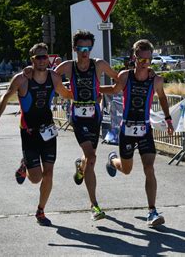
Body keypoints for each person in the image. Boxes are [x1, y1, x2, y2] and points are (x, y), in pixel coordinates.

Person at [23, 30, 119, 221]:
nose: (85, 52)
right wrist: (28, 72)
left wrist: (99, 90)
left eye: (88, 48)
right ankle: (94, 205)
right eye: (81, 48)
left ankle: (80, 167)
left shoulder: (98, 64)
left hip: (95, 115)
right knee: (91, 156)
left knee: (89, 159)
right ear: (75, 49)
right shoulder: (68, 67)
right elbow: (45, 78)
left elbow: (119, 83)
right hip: (77, 115)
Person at [0, 43, 73, 226]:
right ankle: (24, 165)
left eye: (45, 57)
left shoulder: (54, 77)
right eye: (39, 57)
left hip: (48, 130)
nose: (43, 60)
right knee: (36, 179)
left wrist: (88, 94)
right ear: (32, 60)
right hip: (29, 133)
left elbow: (66, 94)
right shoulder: (22, 79)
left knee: (49, 174)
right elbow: (5, 97)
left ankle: (41, 210)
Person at [99, 39, 174, 227]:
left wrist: (168, 118)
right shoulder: (125, 76)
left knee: (149, 168)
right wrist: (95, 90)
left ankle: (152, 211)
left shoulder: (155, 80)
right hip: (127, 129)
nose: (146, 64)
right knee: (126, 169)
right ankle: (112, 160)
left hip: (145, 129)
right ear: (135, 58)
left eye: (149, 60)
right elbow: (114, 89)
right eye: (142, 60)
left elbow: (162, 97)